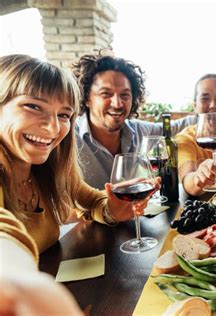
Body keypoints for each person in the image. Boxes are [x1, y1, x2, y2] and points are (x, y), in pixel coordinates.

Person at [0, 55, 159, 314]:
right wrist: (21, 284)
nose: (53, 127)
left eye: (64, 115)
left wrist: (112, 210)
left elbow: (93, 200)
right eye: (33, 106)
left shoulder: (46, 167)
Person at [71, 53, 196, 189]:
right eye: (105, 94)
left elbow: (178, 126)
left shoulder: (139, 131)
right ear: (86, 98)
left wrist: (213, 113)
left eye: (125, 95)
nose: (117, 104)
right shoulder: (68, 138)